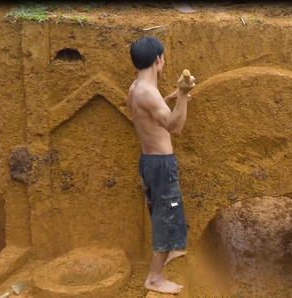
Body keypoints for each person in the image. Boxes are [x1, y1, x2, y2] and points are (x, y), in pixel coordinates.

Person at [127, 36, 195, 295]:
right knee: (169, 218)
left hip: (148, 162)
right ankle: (154, 278)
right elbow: (175, 127)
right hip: (162, 165)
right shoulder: (149, 94)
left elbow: (143, 112)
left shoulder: (136, 89)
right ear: (158, 59)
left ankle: (171, 250)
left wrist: (170, 98)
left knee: (160, 211)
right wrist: (184, 96)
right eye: (163, 58)